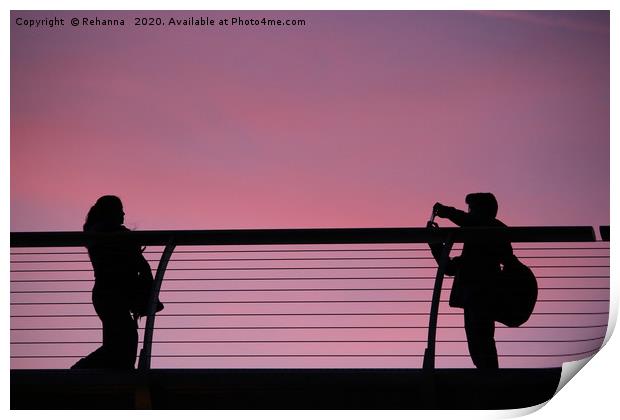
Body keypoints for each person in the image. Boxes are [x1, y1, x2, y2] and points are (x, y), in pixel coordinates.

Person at [428, 193, 512, 369]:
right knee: (477, 341)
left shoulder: (493, 227)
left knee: (481, 338)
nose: (469, 213)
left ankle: (490, 379)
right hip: (472, 296)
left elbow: (471, 222)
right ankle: (488, 376)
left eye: (471, 209)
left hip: (481, 294)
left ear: (482, 210)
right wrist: (435, 245)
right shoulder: (476, 241)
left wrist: (447, 212)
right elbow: (450, 268)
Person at [71, 195, 154, 370]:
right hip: (111, 295)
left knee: (120, 343)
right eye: (120, 210)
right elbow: (133, 261)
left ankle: (94, 375)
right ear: (111, 212)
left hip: (110, 295)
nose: (124, 214)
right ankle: (79, 372)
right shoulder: (107, 235)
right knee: (122, 343)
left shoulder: (99, 234)